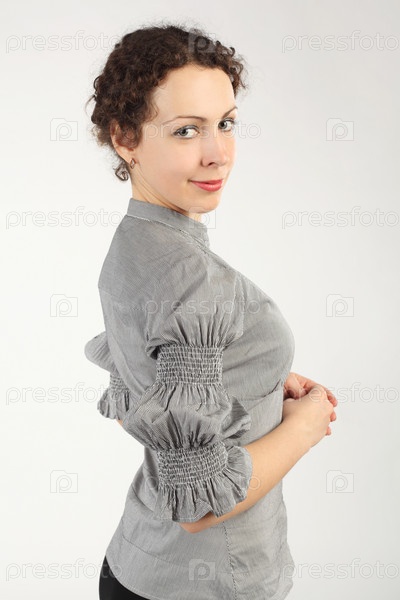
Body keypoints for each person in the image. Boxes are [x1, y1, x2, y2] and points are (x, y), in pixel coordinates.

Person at [84, 21, 338, 600]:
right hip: (208, 582)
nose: (217, 153)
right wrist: (304, 426)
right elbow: (198, 504)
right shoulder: (190, 277)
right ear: (125, 138)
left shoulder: (132, 246)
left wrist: (259, 381)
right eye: (186, 130)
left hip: (137, 566)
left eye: (225, 123)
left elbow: (139, 400)